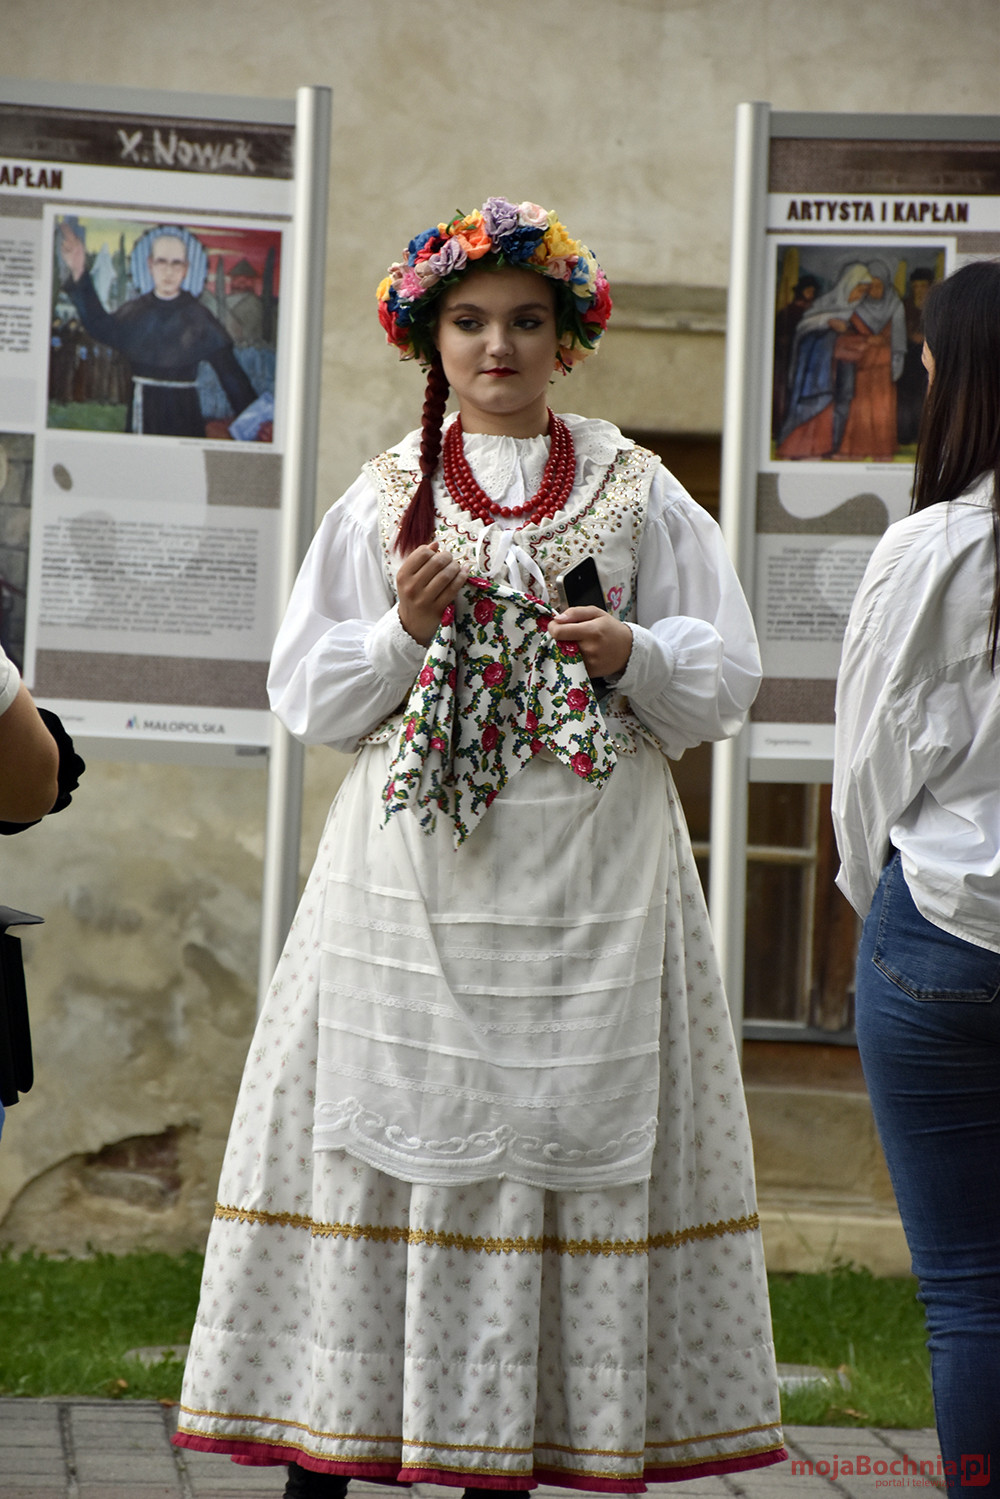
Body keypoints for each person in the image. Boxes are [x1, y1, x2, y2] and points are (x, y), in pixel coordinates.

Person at [173, 197, 785, 1498]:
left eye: (524, 321)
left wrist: (632, 651)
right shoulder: (385, 494)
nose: (497, 346)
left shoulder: (633, 485)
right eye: (469, 322)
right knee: (386, 1138)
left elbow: (726, 673)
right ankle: (330, 1442)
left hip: (594, 882)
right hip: (414, 884)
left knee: (568, 1140)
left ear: (567, 339)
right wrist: (398, 633)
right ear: (430, 339)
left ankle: (510, 1452)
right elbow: (307, 692)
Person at [833, 259, 1000, 1492]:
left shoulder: (931, 548)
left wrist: (872, 903)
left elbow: (866, 769)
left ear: (951, 377)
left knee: (970, 1288)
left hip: (940, 932)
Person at [58, 221, 258, 438]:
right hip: (143, 412)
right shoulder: (135, 312)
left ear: (186, 269)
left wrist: (259, 423)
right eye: (162, 262)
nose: (168, 271)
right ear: (150, 265)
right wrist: (79, 271)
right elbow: (99, 326)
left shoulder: (200, 318)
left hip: (185, 414)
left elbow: (232, 377)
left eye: (176, 264)